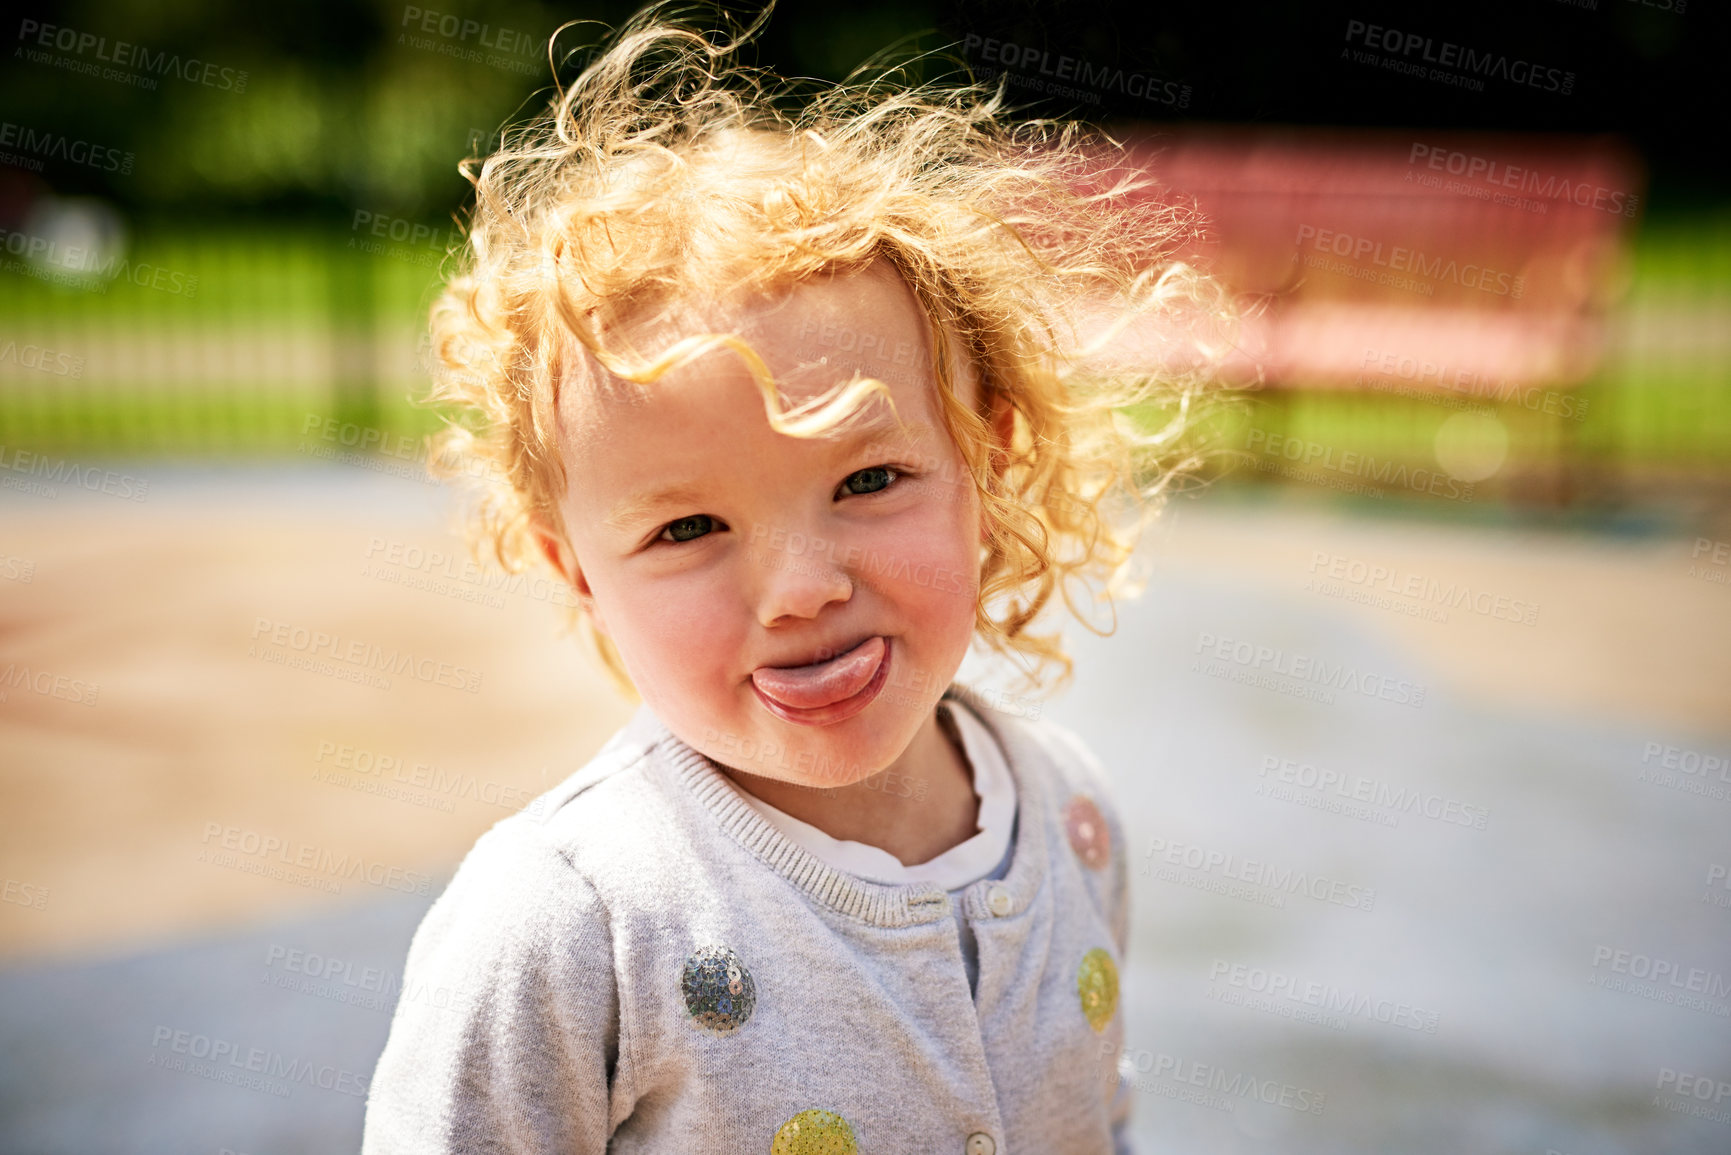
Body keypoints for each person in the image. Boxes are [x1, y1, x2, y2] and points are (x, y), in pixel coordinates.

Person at [363, 5, 1225, 1151]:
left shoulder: (1070, 816)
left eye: (868, 480)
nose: (800, 591)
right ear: (573, 568)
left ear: (990, 457)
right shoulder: (570, 924)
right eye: (689, 529)